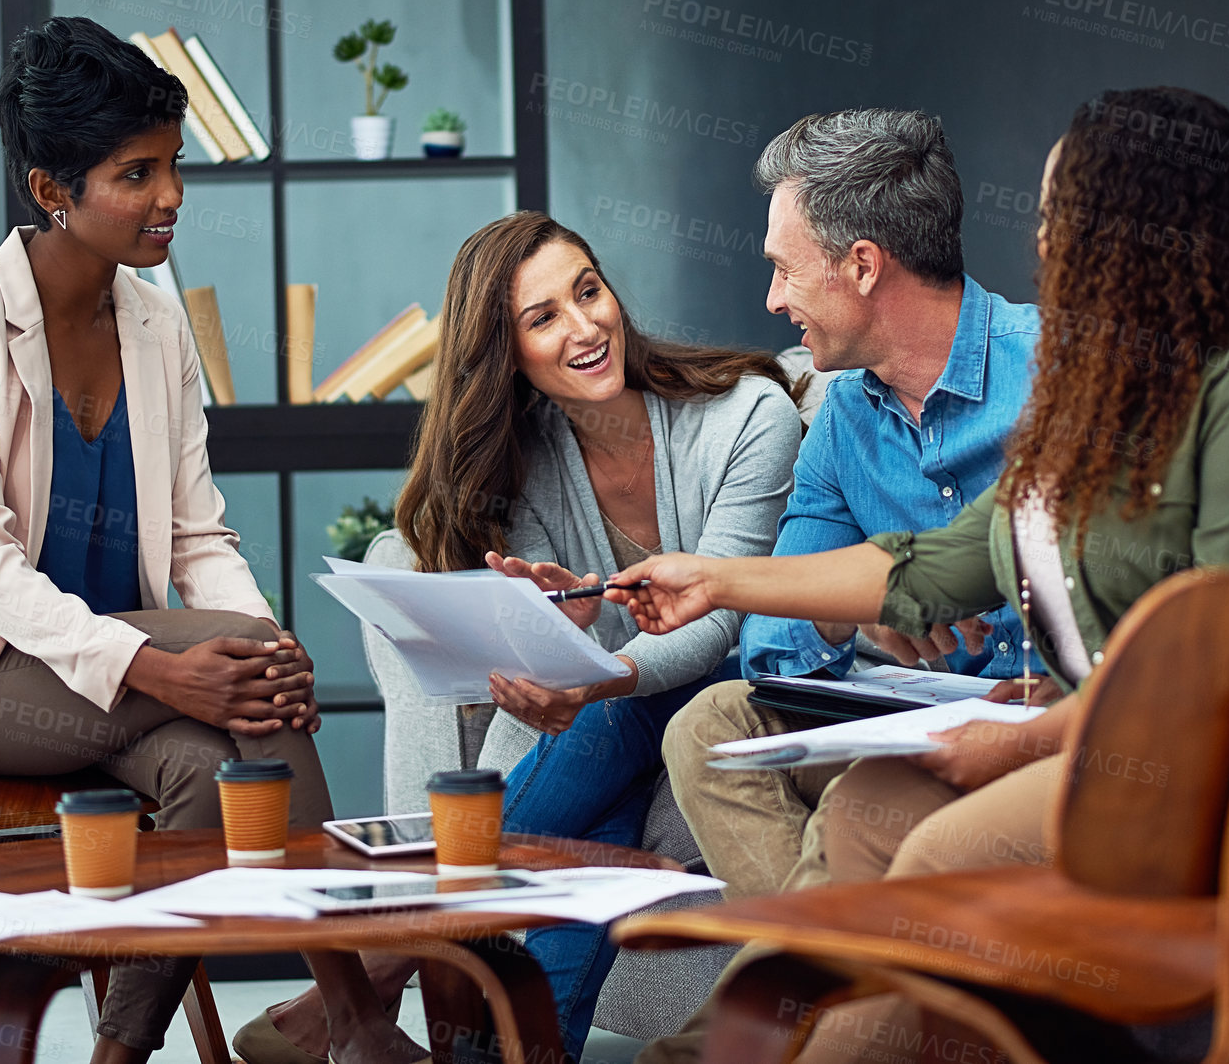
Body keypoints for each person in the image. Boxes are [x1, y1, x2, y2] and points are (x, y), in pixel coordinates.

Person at [611, 86, 1229, 1061]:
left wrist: (1026, 740)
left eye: (1061, 216)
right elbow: (939, 562)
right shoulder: (1109, 394)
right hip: (1130, 740)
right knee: (875, 803)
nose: (1045, 244)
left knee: (933, 858)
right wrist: (716, 581)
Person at [0, 17, 335, 1064]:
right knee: (241, 712)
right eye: (134, 173)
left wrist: (262, 642)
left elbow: (198, 528)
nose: (171, 195)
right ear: (53, 188)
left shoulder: (156, 324)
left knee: (206, 764)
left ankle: (117, 1052)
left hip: (120, 681)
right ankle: (354, 1016)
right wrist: (163, 664)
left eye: (173, 164)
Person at [232, 211, 803, 1064]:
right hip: (619, 712)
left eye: (588, 291)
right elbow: (576, 664)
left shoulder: (745, 417)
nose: (584, 327)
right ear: (508, 355)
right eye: (543, 318)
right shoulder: (530, 458)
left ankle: (393, 947)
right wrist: (551, 630)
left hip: (735, 688)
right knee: (591, 829)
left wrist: (592, 666)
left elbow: (719, 618)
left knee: (603, 722)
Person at [663, 108, 1044, 907]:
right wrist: (850, 615)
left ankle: (799, 1001)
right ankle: (837, 971)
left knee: (870, 793)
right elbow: (771, 643)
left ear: (863, 265)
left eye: (784, 269)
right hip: (910, 711)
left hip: (1045, 726)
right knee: (707, 726)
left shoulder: (1057, 376)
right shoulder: (842, 418)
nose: (771, 300)